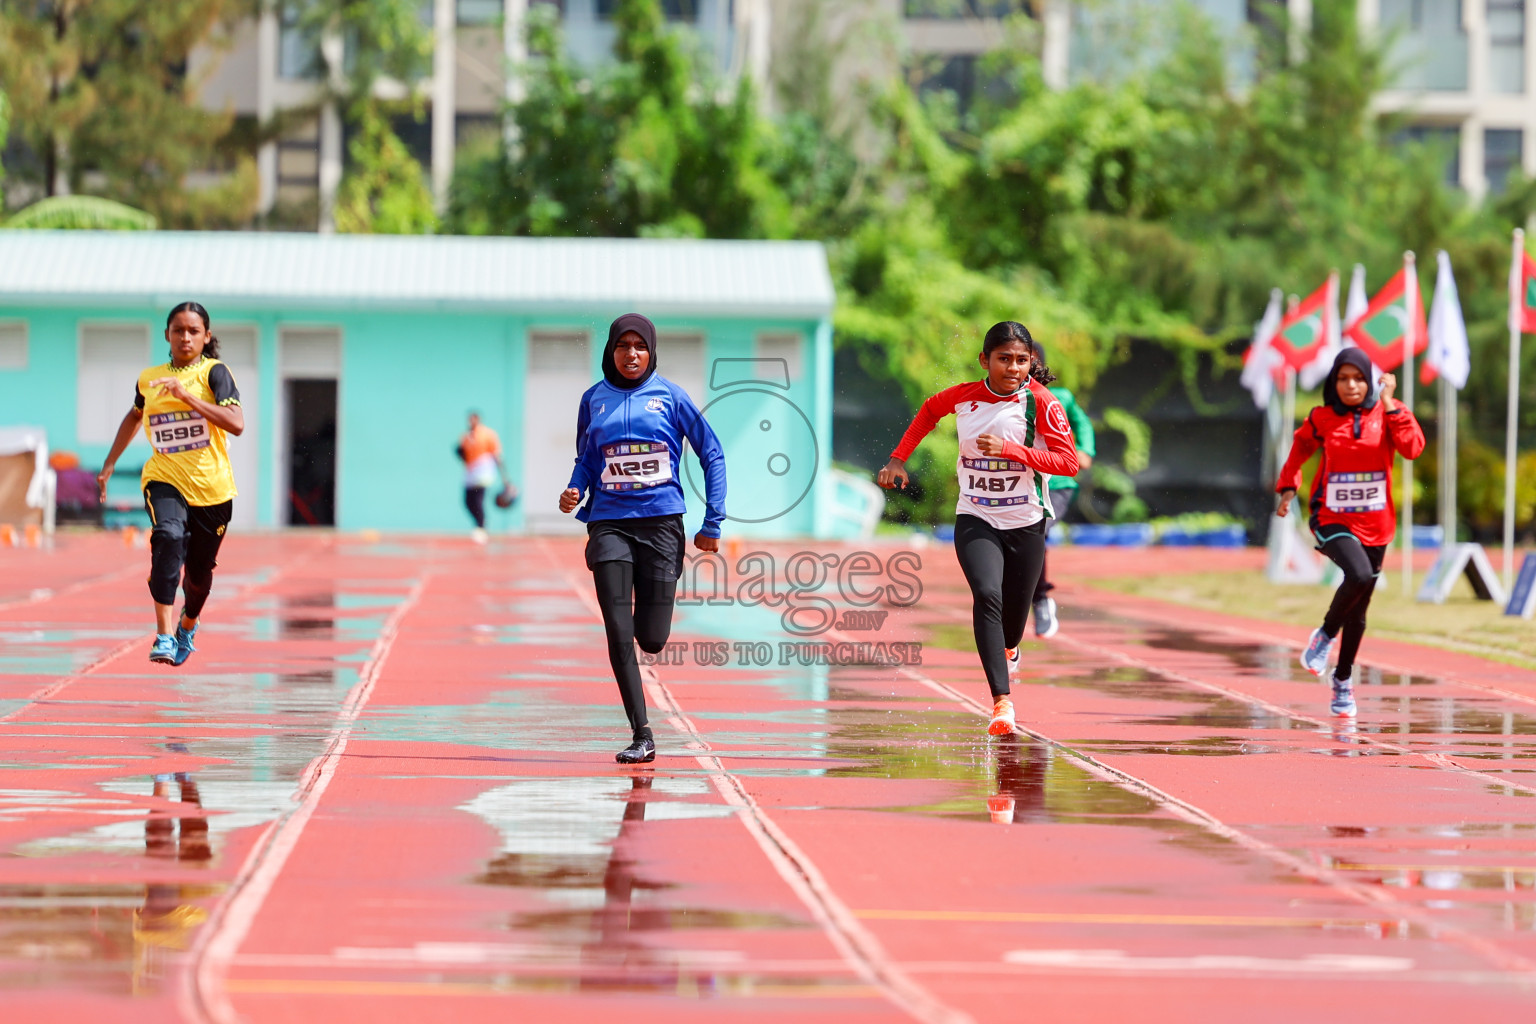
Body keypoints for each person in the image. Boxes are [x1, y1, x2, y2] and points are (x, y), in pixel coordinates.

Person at [878, 321, 1079, 736]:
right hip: (977, 517)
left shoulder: (1043, 403)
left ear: (1031, 364)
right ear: (985, 361)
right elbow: (930, 410)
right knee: (987, 593)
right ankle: (1001, 703)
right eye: (1004, 359)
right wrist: (898, 458)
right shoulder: (965, 397)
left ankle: (1010, 647)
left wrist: (1011, 450)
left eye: (1022, 360)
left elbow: (1068, 463)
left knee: (1013, 624)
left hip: (1026, 521)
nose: (1013, 368)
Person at [559, 313, 727, 764]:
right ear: (610, 352)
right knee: (617, 630)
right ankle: (642, 733)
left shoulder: (671, 398)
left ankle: (642, 642)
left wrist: (712, 521)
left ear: (651, 352)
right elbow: (586, 458)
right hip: (609, 523)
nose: (630, 354)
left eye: (639, 347)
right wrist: (575, 488)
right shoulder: (593, 399)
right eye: (622, 346)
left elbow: (711, 453)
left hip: (661, 525)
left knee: (651, 639)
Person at [1276, 347, 1424, 716]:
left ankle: (1342, 681)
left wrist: (1391, 403)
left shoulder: (1387, 413)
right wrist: (1288, 486)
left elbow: (1412, 448)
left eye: (1358, 378)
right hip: (1332, 518)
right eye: (1342, 379)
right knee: (1357, 574)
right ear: (1333, 382)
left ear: (1370, 382)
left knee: (1359, 610)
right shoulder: (1322, 418)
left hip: (1377, 525)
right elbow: (1300, 447)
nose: (1351, 385)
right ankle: (1325, 635)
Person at [97, 302, 244, 666]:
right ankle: (163, 635)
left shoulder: (215, 373)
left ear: (206, 336)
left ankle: (187, 624)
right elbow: (134, 416)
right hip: (164, 478)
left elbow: (236, 423)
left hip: (213, 490)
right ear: (167, 335)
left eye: (193, 331)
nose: (185, 337)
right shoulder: (149, 378)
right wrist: (110, 462)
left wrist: (187, 397)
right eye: (178, 330)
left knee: (198, 575)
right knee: (168, 536)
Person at [1025, 338, 1094, 639]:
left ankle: (1040, 599)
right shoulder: (1004, 400)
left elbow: (1084, 425)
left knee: (1038, 529)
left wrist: (1084, 450)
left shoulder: (1061, 398)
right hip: (1022, 482)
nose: (1020, 366)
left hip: (1058, 484)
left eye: (1027, 359)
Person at [457, 411, 507, 543]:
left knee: (478, 498)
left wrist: (504, 478)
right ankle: (479, 523)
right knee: (468, 501)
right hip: (470, 470)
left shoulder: (488, 434)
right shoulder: (465, 436)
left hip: (483, 469)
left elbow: (496, 455)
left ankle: (481, 526)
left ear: (478, 420)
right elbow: (463, 456)